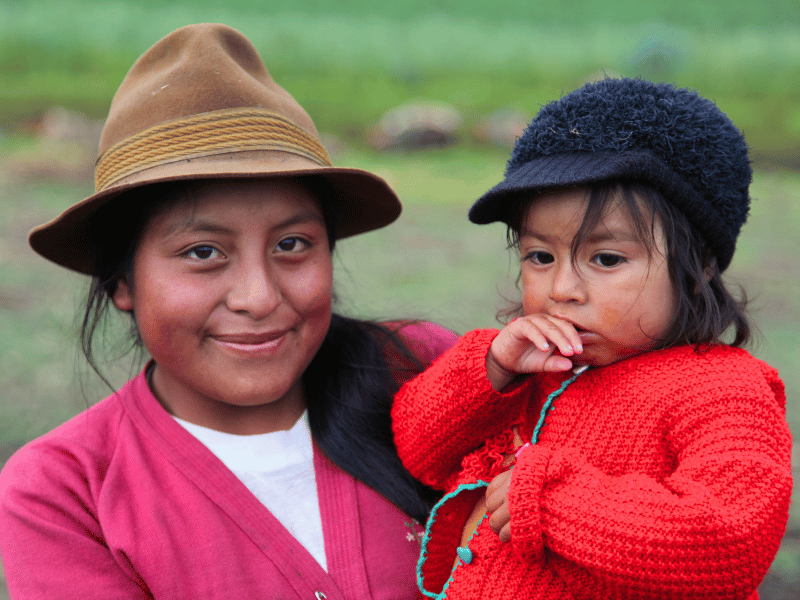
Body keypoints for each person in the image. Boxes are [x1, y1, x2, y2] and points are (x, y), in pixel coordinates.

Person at [0, 23, 457, 599]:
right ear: (122, 282)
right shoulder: (64, 491)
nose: (260, 296)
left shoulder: (427, 370)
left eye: (292, 245)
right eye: (203, 252)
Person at [392, 78, 793, 599]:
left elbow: (730, 539)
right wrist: (489, 369)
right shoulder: (532, 368)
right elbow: (418, 449)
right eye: (540, 257)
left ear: (698, 267)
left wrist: (551, 501)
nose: (562, 289)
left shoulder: (721, 392)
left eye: (606, 259)